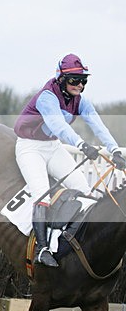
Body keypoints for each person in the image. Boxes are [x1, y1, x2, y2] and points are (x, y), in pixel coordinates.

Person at [14, 53, 126, 267]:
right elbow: (59, 126)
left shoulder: (80, 101)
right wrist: (82, 145)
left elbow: (98, 126)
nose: (80, 85)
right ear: (61, 80)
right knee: (42, 195)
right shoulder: (47, 97)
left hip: (53, 147)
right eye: (75, 80)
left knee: (85, 191)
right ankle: (42, 249)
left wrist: (115, 151)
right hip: (30, 148)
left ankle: (73, 241)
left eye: (83, 80)